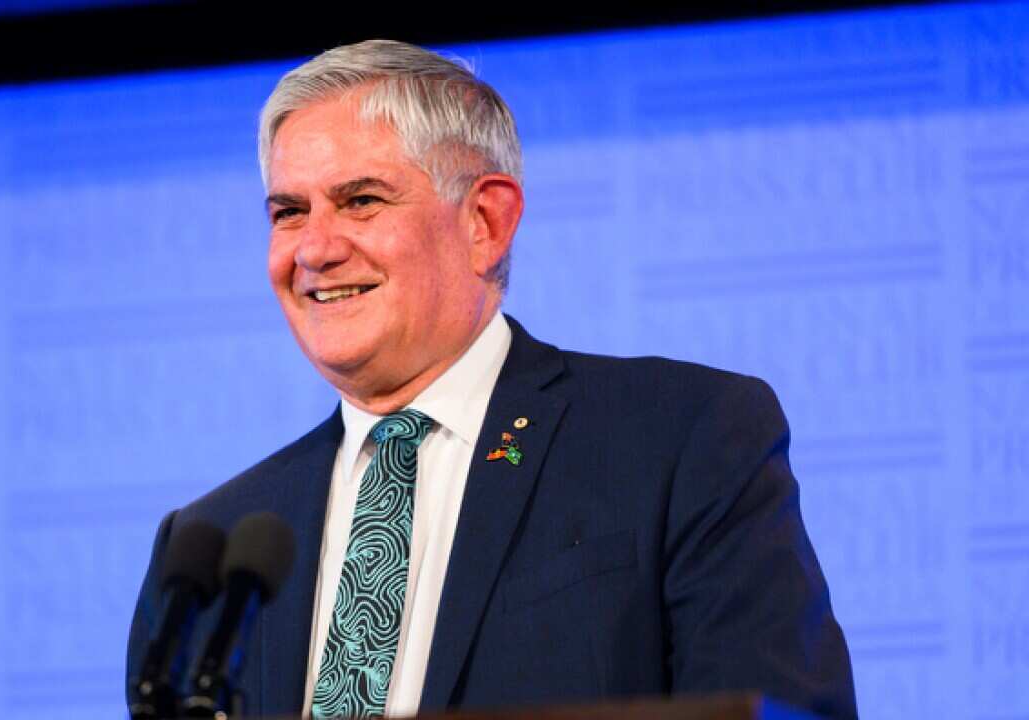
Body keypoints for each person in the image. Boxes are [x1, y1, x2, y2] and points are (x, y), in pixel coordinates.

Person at [127, 39, 856, 719]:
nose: (314, 249)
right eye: (289, 212)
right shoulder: (210, 550)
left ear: (485, 221)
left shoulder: (679, 437)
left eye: (361, 201)